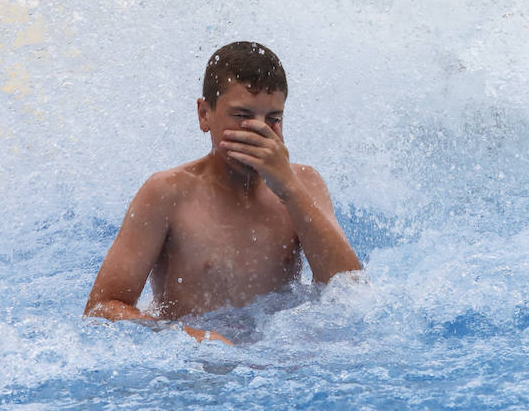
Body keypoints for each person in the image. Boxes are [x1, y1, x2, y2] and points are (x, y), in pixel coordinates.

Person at [85, 42, 361, 345]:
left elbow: (350, 292)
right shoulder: (167, 193)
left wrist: (289, 190)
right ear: (205, 115)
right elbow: (102, 309)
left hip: (277, 359)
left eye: (273, 119)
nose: (258, 132)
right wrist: (190, 339)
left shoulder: (304, 183)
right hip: (195, 366)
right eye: (241, 115)